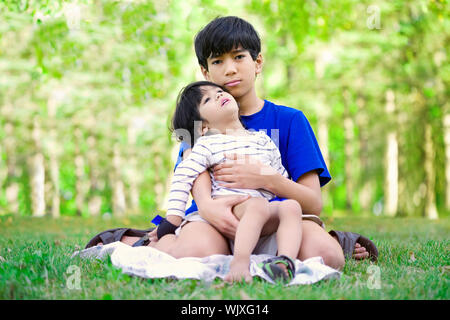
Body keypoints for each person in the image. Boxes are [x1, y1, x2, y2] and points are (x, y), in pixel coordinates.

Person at [84, 16, 378, 268]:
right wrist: (211, 212)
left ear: (258, 62)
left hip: (275, 218)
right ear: (205, 73)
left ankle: (328, 241)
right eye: (218, 61)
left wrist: (265, 178)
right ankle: (143, 239)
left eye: (239, 57)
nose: (230, 69)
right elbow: (194, 186)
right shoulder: (199, 126)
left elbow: (313, 202)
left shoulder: (290, 120)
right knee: (198, 253)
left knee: (327, 256)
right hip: (213, 220)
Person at [147, 81, 302, 283]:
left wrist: (275, 184)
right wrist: (172, 220)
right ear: (203, 127)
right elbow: (184, 176)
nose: (219, 95)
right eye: (208, 99)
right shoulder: (207, 144)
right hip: (230, 210)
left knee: (291, 207)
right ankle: (240, 263)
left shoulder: (263, 140)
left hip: (261, 211)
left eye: (219, 91)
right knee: (257, 206)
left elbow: (279, 176)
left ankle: (283, 264)